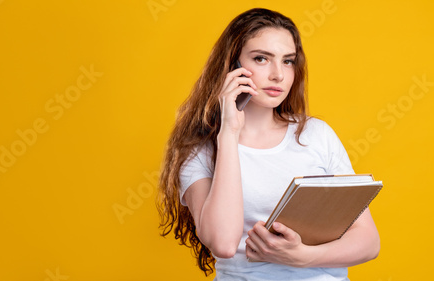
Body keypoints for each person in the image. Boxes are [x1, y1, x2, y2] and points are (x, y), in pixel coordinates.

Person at [157, 8, 380, 281]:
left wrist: (303, 257)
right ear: (232, 67)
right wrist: (228, 132)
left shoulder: (316, 135)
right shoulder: (200, 151)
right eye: (261, 58)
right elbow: (224, 244)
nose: (278, 75)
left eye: (288, 61)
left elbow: (369, 242)